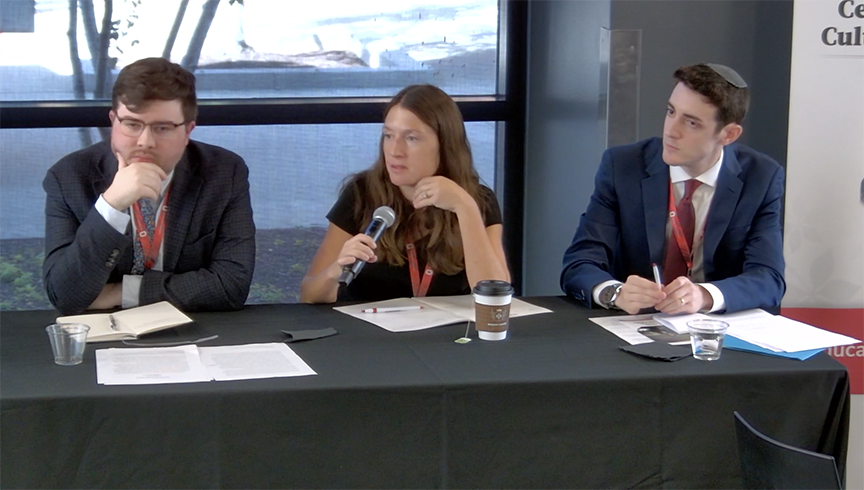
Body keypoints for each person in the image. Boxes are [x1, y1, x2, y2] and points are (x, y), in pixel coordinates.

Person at [561, 63, 785, 315]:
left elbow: (769, 278)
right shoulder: (623, 167)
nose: (671, 131)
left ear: (728, 134)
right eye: (670, 112)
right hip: (632, 325)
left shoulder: (760, 177)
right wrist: (615, 292)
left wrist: (704, 295)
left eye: (691, 123)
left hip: (712, 331)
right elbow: (579, 263)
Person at [43, 57, 255, 315]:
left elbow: (231, 286)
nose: (145, 142)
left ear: (187, 131)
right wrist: (110, 206)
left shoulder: (224, 172)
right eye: (132, 124)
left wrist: (122, 292)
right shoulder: (69, 177)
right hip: (104, 337)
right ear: (113, 121)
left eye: (162, 128)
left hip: (193, 329)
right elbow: (64, 295)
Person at [301, 84, 509, 303]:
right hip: (371, 332)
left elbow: (496, 299)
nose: (395, 151)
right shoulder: (362, 193)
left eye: (411, 138)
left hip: (448, 335)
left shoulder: (477, 199)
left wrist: (465, 208)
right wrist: (337, 269)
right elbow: (308, 295)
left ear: (445, 144)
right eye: (389, 136)